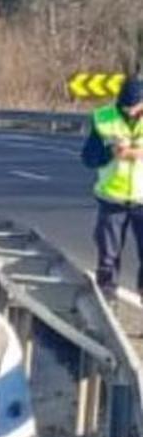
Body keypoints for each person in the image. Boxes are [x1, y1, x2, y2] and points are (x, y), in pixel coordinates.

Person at [82, 78, 143, 304]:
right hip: (112, 200)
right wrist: (110, 152)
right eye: (125, 106)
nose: (129, 110)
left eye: (134, 106)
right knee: (107, 260)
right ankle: (107, 309)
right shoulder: (104, 118)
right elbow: (88, 158)